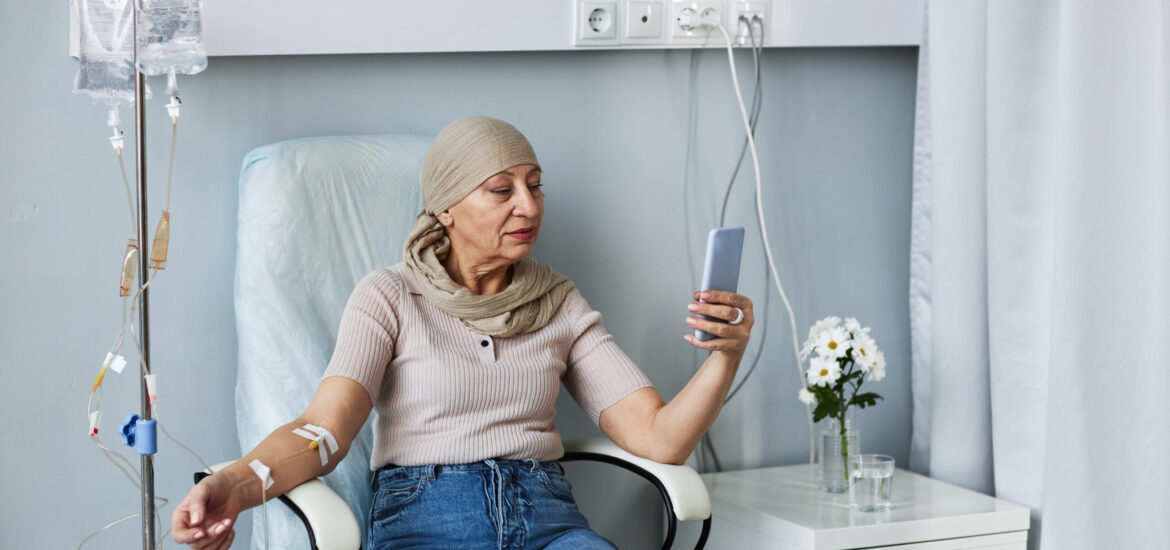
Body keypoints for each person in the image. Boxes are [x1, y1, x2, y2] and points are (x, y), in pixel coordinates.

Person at [171, 116, 754, 550]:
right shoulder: (390, 296)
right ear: (446, 208)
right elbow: (322, 431)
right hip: (427, 523)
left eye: (535, 185)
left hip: (550, 522)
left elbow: (660, 438)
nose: (528, 206)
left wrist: (725, 356)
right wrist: (238, 487)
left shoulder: (559, 303)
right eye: (501, 191)